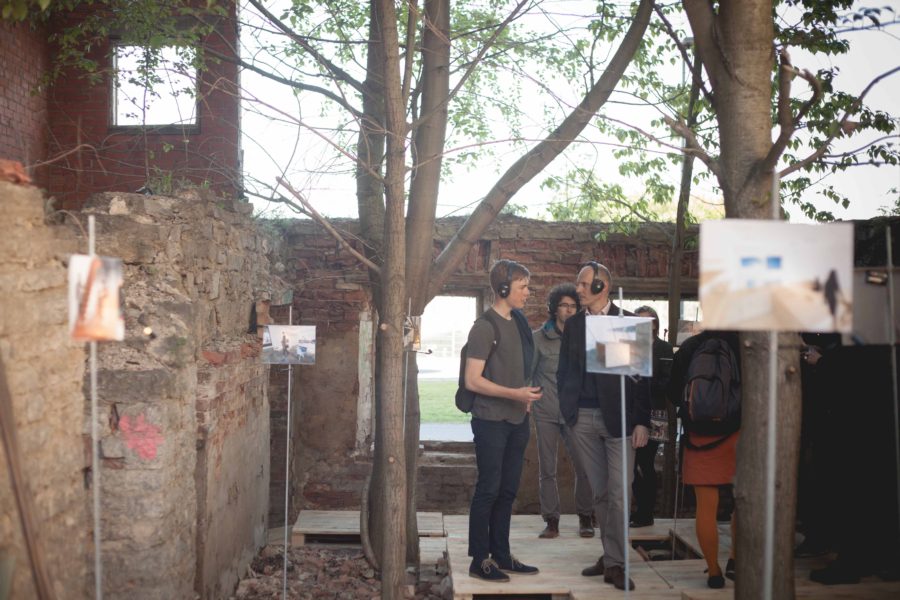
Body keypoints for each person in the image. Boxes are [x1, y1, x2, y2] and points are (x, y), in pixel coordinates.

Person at [558, 261, 650, 591]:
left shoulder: (626, 321)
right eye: (578, 284)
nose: (578, 289)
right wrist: (568, 411)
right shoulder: (574, 325)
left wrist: (642, 421)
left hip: (620, 421)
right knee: (600, 493)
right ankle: (611, 559)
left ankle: (617, 562)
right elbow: (564, 370)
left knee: (620, 493)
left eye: (584, 285)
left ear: (603, 287)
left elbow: (640, 379)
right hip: (581, 419)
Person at [464, 259, 543, 582]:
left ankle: (501, 554)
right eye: (523, 287)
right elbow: (472, 380)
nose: (528, 292)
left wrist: (524, 397)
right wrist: (515, 394)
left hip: (516, 419)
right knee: (489, 489)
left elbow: (522, 365)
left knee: (508, 490)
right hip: (490, 421)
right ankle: (479, 560)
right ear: (504, 288)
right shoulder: (484, 327)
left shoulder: (519, 321)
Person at [667, 329, 741, 589]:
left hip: (699, 437)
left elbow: (673, 393)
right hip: (737, 432)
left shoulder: (690, 346)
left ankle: (713, 571)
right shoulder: (743, 345)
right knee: (742, 503)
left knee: (706, 508)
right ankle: (735, 560)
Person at [530, 283, 594, 539]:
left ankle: (586, 517)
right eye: (563, 305)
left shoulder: (585, 338)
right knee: (547, 468)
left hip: (575, 412)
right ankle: (551, 520)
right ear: (554, 309)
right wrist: (529, 399)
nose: (568, 310)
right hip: (545, 411)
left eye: (572, 306)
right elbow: (529, 373)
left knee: (585, 466)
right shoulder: (538, 338)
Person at [629, 306, 674, 528]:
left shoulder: (664, 347)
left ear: (655, 323)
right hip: (635, 411)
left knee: (646, 463)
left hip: (656, 412)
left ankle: (646, 513)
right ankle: (640, 510)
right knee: (632, 464)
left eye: (647, 321)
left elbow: (667, 380)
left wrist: (644, 384)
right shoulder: (629, 346)